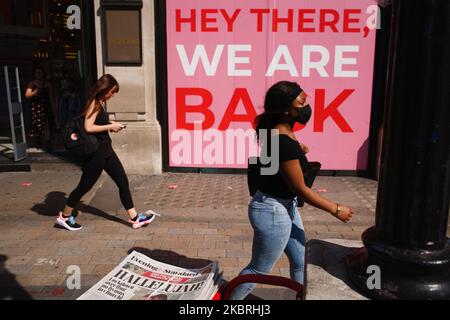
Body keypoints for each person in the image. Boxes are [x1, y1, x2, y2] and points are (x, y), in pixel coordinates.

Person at [230, 81, 353, 300]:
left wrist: (298, 149)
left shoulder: (274, 130)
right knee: (259, 270)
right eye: (302, 101)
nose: (307, 106)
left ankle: (300, 297)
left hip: (283, 206)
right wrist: (336, 209)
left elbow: (272, 166)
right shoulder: (282, 141)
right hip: (273, 212)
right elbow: (300, 188)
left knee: (299, 261)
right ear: (287, 109)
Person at [56, 74, 157, 231]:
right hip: (96, 154)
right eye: (112, 91)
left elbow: (98, 123)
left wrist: (112, 124)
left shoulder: (99, 103)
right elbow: (89, 127)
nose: (113, 95)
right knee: (84, 187)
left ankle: (135, 218)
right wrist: (110, 127)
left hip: (106, 151)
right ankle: (64, 217)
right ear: (105, 89)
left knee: (122, 182)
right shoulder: (94, 103)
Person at [25, 67, 57, 150]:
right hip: (36, 107)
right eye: (37, 73)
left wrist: (54, 109)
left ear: (43, 74)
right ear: (34, 74)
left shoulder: (47, 84)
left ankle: (48, 143)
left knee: (47, 125)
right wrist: (35, 92)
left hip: (46, 107)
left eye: (40, 73)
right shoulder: (32, 84)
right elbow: (27, 95)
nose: (39, 74)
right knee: (37, 125)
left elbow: (51, 97)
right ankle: (38, 141)